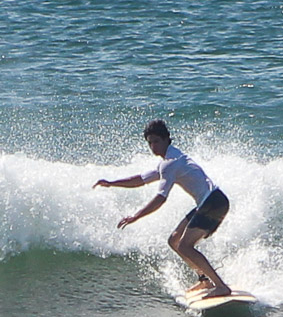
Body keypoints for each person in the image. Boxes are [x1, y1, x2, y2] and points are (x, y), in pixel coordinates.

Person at [94, 120, 232, 297]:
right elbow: (140, 179)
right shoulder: (168, 161)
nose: (153, 146)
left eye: (156, 141)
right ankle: (204, 280)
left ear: (167, 139)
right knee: (174, 240)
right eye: (150, 143)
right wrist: (112, 183)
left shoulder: (170, 163)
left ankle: (220, 286)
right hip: (209, 202)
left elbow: (161, 198)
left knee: (185, 245)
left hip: (213, 202)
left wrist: (135, 217)